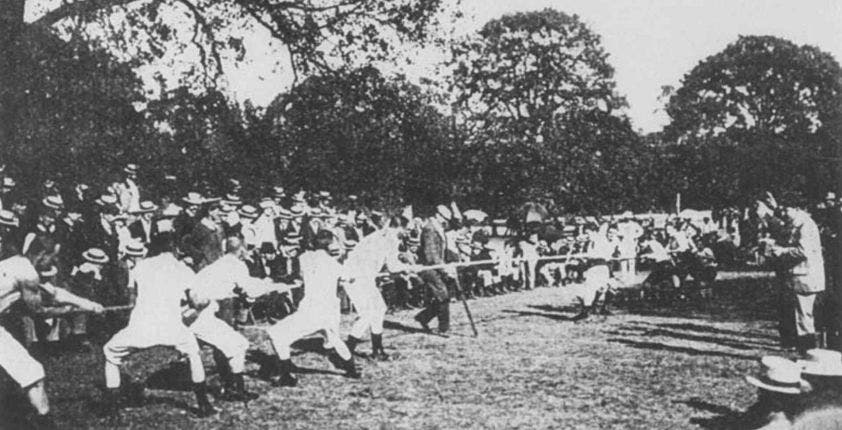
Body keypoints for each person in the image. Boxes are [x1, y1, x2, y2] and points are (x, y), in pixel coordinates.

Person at [100, 232, 216, 417]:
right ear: (175, 248)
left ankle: (112, 408)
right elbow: (196, 302)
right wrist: (207, 301)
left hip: (141, 325)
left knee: (110, 353)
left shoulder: (140, 266)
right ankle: (203, 405)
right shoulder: (183, 269)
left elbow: (132, 297)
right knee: (194, 354)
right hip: (171, 326)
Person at [0, 248, 104, 429]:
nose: (53, 261)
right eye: (51, 256)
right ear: (40, 253)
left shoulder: (16, 263)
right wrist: (68, 312)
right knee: (32, 373)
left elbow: (53, 292)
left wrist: (88, 304)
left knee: (31, 372)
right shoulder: (28, 274)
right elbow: (39, 312)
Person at [190, 237, 299, 401]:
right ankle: (233, 388)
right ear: (241, 250)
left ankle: (232, 386)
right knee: (235, 345)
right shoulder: (237, 265)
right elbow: (250, 291)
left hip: (197, 309)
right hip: (207, 310)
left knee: (230, 345)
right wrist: (276, 287)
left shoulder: (219, 263)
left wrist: (267, 284)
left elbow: (244, 285)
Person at [262, 230, 360, 387]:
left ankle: (287, 375)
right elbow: (349, 278)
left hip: (312, 311)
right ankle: (352, 370)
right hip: (328, 311)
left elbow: (299, 274)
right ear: (329, 245)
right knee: (334, 338)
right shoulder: (334, 264)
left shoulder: (304, 258)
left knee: (275, 334)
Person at [757, 194, 825, 354]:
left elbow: (803, 251)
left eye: (786, 209)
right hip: (797, 277)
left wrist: (780, 251)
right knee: (797, 316)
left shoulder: (805, 225)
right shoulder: (796, 221)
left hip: (805, 277)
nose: (784, 213)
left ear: (798, 208)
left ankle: (808, 351)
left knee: (803, 317)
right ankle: (801, 349)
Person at [344, 217, 411, 360]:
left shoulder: (380, 235)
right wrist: (409, 268)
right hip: (355, 278)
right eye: (405, 229)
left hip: (363, 277)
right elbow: (393, 266)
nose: (406, 232)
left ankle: (377, 350)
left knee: (379, 309)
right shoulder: (390, 239)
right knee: (368, 314)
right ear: (399, 228)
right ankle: (345, 351)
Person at [414, 205, 453, 335]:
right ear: (437, 215)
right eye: (444, 218)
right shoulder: (430, 229)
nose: (445, 221)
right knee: (443, 294)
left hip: (438, 266)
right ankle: (443, 328)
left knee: (442, 296)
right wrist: (444, 269)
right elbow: (431, 254)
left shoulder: (438, 228)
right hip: (429, 267)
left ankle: (423, 317)